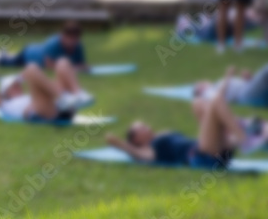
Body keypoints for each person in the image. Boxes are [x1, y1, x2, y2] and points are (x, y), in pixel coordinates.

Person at [106, 69, 260, 169]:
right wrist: (119, 144)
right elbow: (139, 157)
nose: (146, 126)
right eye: (141, 128)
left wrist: (227, 79)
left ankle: (244, 134)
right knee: (215, 100)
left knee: (198, 103)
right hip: (203, 158)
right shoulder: (148, 149)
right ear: (137, 140)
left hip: (213, 150)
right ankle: (242, 136)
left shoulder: (159, 136)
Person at [0, 58, 94, 123]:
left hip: (56, 107)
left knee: (62, 63)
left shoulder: (28, 96)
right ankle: (63, 99)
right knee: (31, 68)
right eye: (13, 86)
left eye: (18, 84)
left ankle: (79, 94)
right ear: (6, 92)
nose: (18, 86)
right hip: (44, 113)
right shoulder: (5, 105)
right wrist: (2, 96)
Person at [0, 21, 88, 71]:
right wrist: (73, 68)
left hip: (35, 51)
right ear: (64, 36)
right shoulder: (54, 43)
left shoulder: (78, 46)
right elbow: (49, 65)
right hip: (28, 55)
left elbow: (81, 64)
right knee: (10, 63)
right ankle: (0, 57)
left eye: (75, 39)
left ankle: (7, 54)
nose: (72, 42)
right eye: (70, 38)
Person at [191, 63, 268, 109]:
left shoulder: (216, 84)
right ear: (201, 90)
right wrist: (228, 76)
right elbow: (218, 97)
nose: (204, 81)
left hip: (248, 88)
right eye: (200, 84)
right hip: (244, 95)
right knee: (265, 71)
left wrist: (248, 78)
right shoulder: (208, 93)